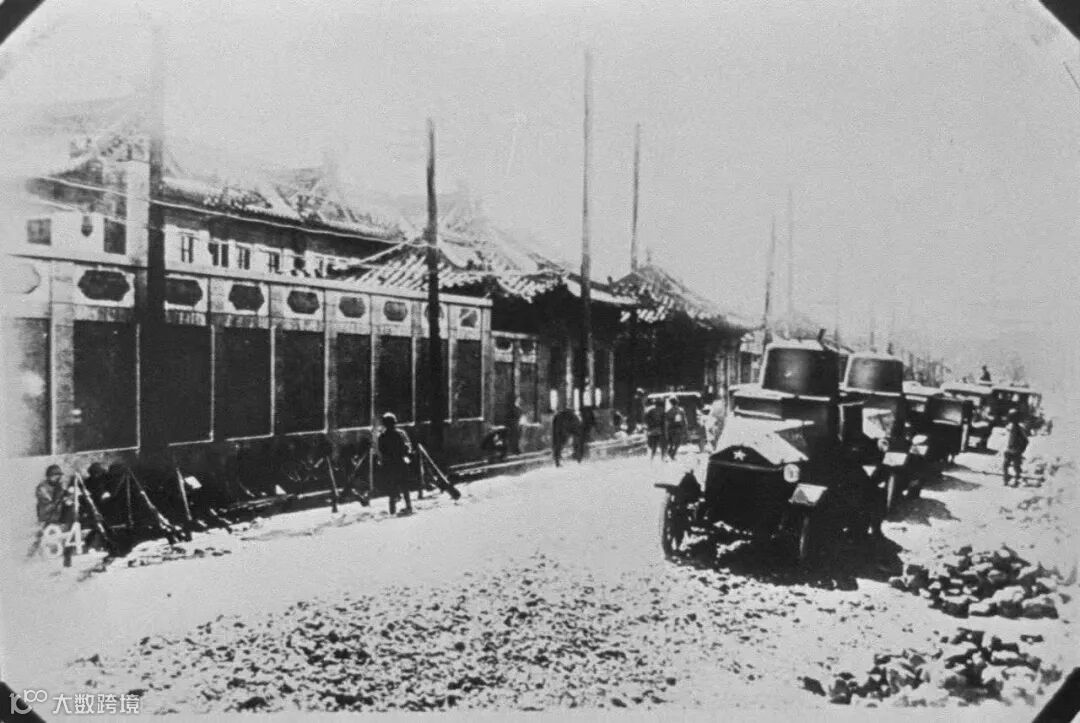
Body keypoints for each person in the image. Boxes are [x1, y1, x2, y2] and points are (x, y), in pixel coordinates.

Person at [377, 412, 415, 516]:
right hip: (399, 462)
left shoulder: (382, 436)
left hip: (390, 464)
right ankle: (408, 506)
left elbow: (381, 450)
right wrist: (406, 453)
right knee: (404, 486)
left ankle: (392, 510)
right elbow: (407, 447)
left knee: (392, 487)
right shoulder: (400, 434)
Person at [1002, 410, 1028, 487]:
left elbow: (1025, 440)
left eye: (1012, 418)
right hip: (1010, 450)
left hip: (1016, 450)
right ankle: (1006, 479)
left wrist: (1021, 450)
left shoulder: (1019, 428)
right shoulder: (1011, 427)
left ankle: (1016, 481)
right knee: (1005, 465)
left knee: (1016, 467)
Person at [664, 396, 688, 461]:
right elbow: (684, 421)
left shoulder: (669, 411)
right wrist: (685, 429)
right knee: (678, 443)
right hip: (678, 429)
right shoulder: (680, 411)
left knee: (671, 443)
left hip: (670, 429)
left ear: (671, 403)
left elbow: (666, 422)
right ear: (677, 403)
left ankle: (670, 453)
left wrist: (666, 431)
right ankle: (672, 454)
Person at [644, 397, 666, 461]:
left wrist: (650, 426)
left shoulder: (651, 411)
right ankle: (663, 458)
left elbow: (646, 420)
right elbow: (664, 421)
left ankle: (652, 458)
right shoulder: (663, 411)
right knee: (663, 445)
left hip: (653, 430)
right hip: (661, 430)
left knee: (654, 445)